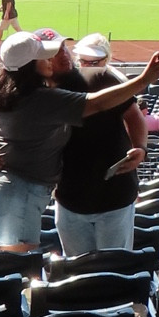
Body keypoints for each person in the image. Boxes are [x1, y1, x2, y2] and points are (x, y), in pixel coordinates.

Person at [0, 30, 159, 252]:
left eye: (62, 49)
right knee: (12, 274)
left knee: (3, 272)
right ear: (32, 66)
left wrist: (140, 146)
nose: (59, 56)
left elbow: (0, 136)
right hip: (22, 198)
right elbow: (95, 103)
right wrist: (144, 79)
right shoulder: (40, 98)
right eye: (48, 54)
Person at [53, 33, 148, 254]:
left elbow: (135, 117)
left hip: (110, 193)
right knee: (90, 271)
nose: (89, 66)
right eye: (85, 61)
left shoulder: (109, 78)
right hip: (73, 195)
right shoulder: (54, 85)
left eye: (94, 62)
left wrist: (141, 149)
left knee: (106, 269)